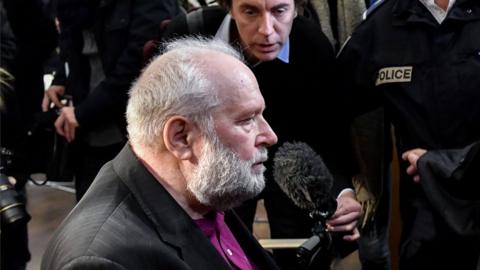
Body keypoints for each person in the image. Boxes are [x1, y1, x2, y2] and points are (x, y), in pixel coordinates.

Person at [41, 37, 280, 270]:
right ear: (181, 138)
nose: (270, 136)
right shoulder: (102, 261)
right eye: (247, 120)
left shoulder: (203, 191)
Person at [161, 0, 362, 268]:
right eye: (250, 11)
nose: (267, 30)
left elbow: (327, 137)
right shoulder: (188, 36)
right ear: (229, 8)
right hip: (216, 168)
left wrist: (342, 194)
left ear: (297, 8)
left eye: (279, 11)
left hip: (290, 171)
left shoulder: (312, 46)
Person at [337, 0, 480, 269]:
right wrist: (343, 188)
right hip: (427, 219)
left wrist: (447, 163)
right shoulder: (382, 26)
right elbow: (329, 114)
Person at [42, 0, 180, 201]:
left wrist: (83, 113)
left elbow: (139, 67)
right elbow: (71, 44)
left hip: (135, 133)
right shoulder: (72, 7)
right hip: (88, 133)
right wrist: (62, 79)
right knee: (91, 214)